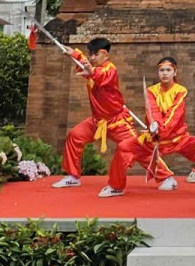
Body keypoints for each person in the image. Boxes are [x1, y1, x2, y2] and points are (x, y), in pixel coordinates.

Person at [104, 57, 195, 195]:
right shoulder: (151, 90)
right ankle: (116, 186)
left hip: (177, 137)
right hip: (153, 137)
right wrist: (154, 123)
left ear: (175, 72)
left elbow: (175, 114)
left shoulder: (181, 90)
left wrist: (160, 128)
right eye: (161, 70)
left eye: (168, 70)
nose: (165, 73)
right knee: (124, 147)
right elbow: (152, 109)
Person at [53, 38, 137, 188]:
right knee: (75, 136)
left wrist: (89, 70)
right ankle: (73, 176)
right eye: (90, 54)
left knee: (138, 147)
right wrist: (75, 54)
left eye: (95, 54)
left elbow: (100, 75)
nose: (92, 58)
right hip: (97, 121)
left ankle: (165, 176)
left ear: (104, 54)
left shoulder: (110, 70)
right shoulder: (93, 67)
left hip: (117, 121)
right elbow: (87, 67)